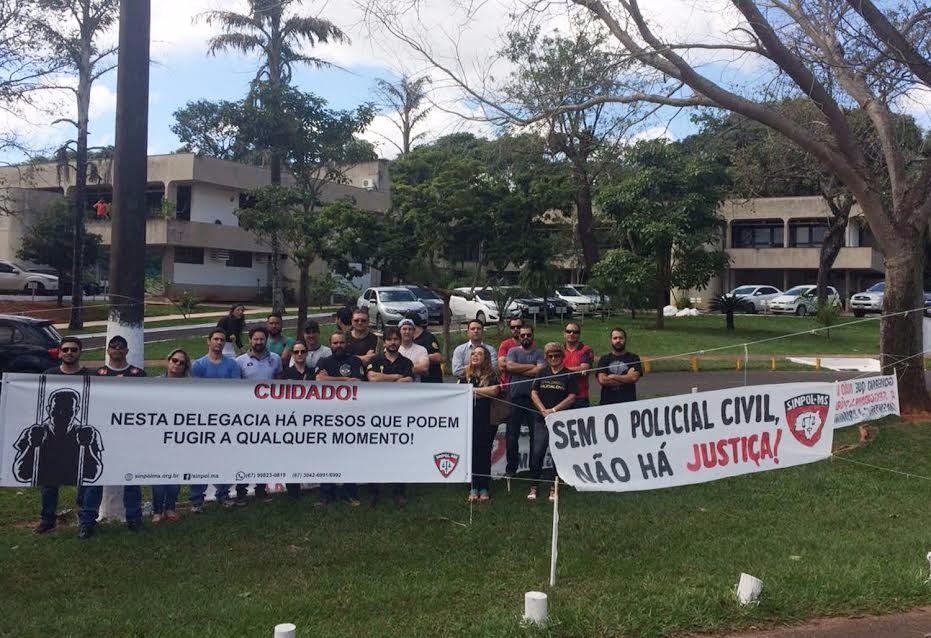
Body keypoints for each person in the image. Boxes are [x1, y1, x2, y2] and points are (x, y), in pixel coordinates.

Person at [80, 335, 146, 538]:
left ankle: (134, 518)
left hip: (129, 436)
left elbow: (146, 402)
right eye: (113, 346)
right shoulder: (97, 374)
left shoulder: (138, 374)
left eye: (121, 347)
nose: (117, 349)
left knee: (131, 478)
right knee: (95, 479)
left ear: (126, 351)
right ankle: (87, 522)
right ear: (108, 350)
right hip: (102, 435)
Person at [30, 337, 91, 534]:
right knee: (49, 480)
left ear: (80, 352)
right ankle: (47, 518)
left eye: (74, 349)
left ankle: (83, 515)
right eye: (66, 350)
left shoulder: (90, 376)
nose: (70, 353)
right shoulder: (49, 375)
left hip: (77, 433)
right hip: (52, 435)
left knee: (83, 478)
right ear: (60, 352)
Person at [190, 329, 241, 511]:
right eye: (216, 339)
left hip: (227, 418)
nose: (219, 343)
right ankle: (197, 499)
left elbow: (235, 390)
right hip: (204, 419)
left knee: (225, 458)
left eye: (222, 340)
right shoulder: (199, 365)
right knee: (201, 461)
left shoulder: (232, 365)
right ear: (208, 341)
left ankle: (223, 494)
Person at [315, 331, 366, 506]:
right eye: (335, 343)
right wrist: (344, 380)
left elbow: (359, 382)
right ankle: (326, 494)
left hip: (351, 416)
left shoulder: (355, 361)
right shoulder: (324, 361)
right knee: (327, 456)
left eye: (341, 342)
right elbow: (320, 380)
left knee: (348, 456)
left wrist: (333, 380)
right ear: (330, 344)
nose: (338, 346)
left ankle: (349, 492)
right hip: (328, 416)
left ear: (347, 343)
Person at [365, 326, 414, 507]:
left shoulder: (406, 362)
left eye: (396, 339)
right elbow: (372, 378)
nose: (393, 342)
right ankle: (373, 491)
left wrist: (383, 377)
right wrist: (395, 376)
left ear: (400, 341)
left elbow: (408, 381)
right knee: (375, 452)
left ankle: (399, 491)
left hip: (399, 412)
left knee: (398, 452)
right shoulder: (376, 359)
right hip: (377, 412)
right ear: (384, 342)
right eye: (389, 339)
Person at [235, 326, 281, 502]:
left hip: (269, 414)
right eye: (256, 339)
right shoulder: (240, 361)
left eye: (262, 339)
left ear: (266, 340)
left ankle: (261, 489)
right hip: (247, 414)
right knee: (245, 454)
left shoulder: (275, 359)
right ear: (250, 340)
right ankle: (241, 490)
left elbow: (279, 382)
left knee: (263, 452)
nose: (259, 342)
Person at [530, 343, 577, 502]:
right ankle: (534, 485)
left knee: (557, 455)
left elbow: (571, 397)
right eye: (550, 356)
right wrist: (543, 409)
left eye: (557, 355)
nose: (554, 359)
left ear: (562, 356)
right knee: (537, 452)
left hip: (559, 421)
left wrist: (554, 410)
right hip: (541, 419)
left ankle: (553, 487)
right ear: (546, 357)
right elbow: (534, 393)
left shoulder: (569, 375)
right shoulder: (541, 373)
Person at [152, 349, 190, 523]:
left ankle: (170, 508)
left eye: (181, 363)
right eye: (175, 360)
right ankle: (157, 510)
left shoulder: (191, 386)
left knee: (175, 476)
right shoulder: (155, 383)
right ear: (168, 361)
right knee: (159, 475)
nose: (177, 365)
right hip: (159, 436)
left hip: (180, 437)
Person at [458, 346, 499, 503]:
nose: (475, 356)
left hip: (488, 419)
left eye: (479, 354)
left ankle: (484, 487)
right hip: (469, 419)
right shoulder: (465, 374)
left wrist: (472, 391)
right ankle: (473, 486)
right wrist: (482, 391)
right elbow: (461, 393)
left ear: (486, 357)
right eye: (473, 353)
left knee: (484, 453)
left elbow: (494, 391)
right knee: (472, 453)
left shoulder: (492, 374)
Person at [503, 325, 545, 477]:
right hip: (515, 398)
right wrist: (530, 367)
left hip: (534, 399)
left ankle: (534, 469)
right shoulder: (513, 351)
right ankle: (511, 469)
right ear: (518, 337)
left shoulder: (539, 353)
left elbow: (540, 370)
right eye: (522, 335)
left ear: (533, 336)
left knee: (535, 435)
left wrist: (519, 369)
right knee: (512, 435)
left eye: (528, 334)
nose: (525, 337)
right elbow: (510, 366)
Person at [282, 339, 315, 499]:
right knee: (291, 456)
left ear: (307, 353)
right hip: (292, 421)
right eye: (296, 352)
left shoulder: (314, 373)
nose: (300, 354)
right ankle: (293, 491)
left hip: (312, 421)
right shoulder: (285, 375)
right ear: (292, 354)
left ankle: (315, 485)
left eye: (303, 351)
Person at [596, 327, 642, 405]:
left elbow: (633, 378)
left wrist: (613, 376)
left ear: (625, 339)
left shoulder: (634, 358)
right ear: (611, 340)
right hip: (607, 403)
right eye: (615, 338)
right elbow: (603, 380)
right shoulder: (604, 359)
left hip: (628, 403)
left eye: (621, 338)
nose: (618, 340)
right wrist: (627, 378)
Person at [562, 322, 594, 409]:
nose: (571, 334)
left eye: (575, 332)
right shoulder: (560, 350)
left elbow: (584, 368)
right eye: (568, 331)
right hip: (561, 396)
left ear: (579, 334)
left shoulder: (585, 350)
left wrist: (562, 371)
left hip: (580, 397)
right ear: (564, 333)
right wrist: (576, 370)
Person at [407, 311, 443, 383]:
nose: (407, 331)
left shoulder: (428, 338)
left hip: (431, 380)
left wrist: (422, 358)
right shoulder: (407, 340)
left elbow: (438, 357)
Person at [496, 317, 524, 388]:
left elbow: (538, 368)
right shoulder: (505, 344)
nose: (515, 329)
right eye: (512, 327)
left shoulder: (531, 344)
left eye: (518, 327)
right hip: (508, 385)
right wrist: (529, 367)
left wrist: (512, 365)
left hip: (526, 384)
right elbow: (502, 366)